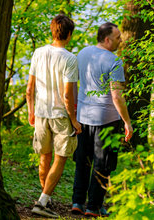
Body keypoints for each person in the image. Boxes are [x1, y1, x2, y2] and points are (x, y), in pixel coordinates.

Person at [71, 22, 133, 217]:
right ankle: (94, 206)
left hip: (83, 117)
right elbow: (116, 96)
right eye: (117, 38)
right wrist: (127, 122)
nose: (120, 41)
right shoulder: (114, 61)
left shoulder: (82, 54)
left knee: (83, 161)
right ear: (107, 39)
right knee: (102, 163)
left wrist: (74, 110)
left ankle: (78, 202)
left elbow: (74, 84)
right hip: (106, 120)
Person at [26, 14, 82, 218]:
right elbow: (67, 95)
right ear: (68, 34)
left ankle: (45, 198)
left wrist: (31, 111)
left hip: (40, 113)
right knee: (60, 157)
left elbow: (29, 89)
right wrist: (74, 120)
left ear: (53, 31)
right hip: (60, 116)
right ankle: (42, 202)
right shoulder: (69, 58)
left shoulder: (38, 53)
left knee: (44, 156)